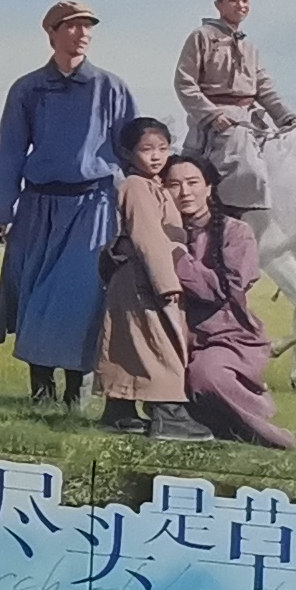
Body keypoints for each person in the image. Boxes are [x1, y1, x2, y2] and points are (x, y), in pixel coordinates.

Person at [0, 1, 138, 409]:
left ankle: (76, 392)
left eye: (88, 26)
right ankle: (41, 390)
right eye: (72, 26)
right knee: (34, 293)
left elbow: (132, 151)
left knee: (82, 297)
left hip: (93, 206)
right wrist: (1, 210)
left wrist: (138, 205)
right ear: (52, 33)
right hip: (39, 206)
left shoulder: (111, 88)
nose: (82, 34)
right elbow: (10, 149)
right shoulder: (28, 89)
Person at [166, 156, 296, 448]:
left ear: (209, 187)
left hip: (227, 336)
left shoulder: (236, 232)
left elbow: (222, 290)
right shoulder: (162, 233)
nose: (184, 192)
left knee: (207, 375)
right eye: (173, 184)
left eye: (192, 182)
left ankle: (266, 434)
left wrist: (177, 256)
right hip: (173, 334)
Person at [92, 118, 208, 440]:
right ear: (128, 152)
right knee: (160, 343)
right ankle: (168, 414)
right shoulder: (136, 187)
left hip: (141, 277)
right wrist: (166, 283)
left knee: (130, 344)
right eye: (147, 149)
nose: (156, 156)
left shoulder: (153, 185)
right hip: (144, 279)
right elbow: (148, 237)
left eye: (163, 148)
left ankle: (119, 412)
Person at [176, 0, 295, 216]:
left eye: (245, 0)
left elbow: (264, 87)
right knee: (245, 170)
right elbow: (184, 82)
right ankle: (225, 220)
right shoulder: (202, 37)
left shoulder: (249, 46)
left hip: (250, 120)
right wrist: (212, 115)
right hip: (218, 120)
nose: (241, 5)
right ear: (218, 5)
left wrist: (287, 118)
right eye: (233, 0)